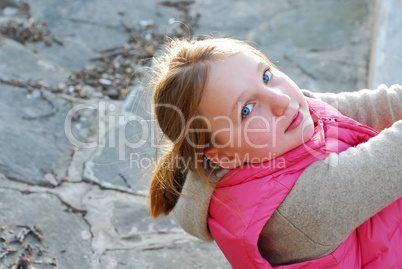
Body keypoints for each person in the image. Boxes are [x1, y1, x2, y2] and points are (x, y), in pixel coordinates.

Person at [147, 37, 402, 268]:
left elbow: (380, 106)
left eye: (266, 76)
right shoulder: (301, 207)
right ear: (222, 156)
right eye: (247, 110)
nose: (281, 101)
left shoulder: (283, 121)